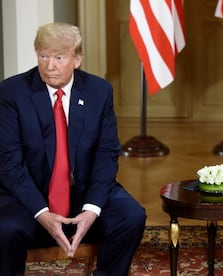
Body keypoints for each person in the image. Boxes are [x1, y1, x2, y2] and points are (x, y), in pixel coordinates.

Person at [0, 22, 146, 275]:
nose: (49, 65)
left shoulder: (99, 92)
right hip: (28, 195)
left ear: (76, 59)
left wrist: (91, 209)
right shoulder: (12, 93)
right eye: (43, 56)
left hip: (83, 191)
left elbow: (106, 154)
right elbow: (9, 163)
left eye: (59, 57)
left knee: (131, 217)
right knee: (6, 229)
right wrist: (41, 212)